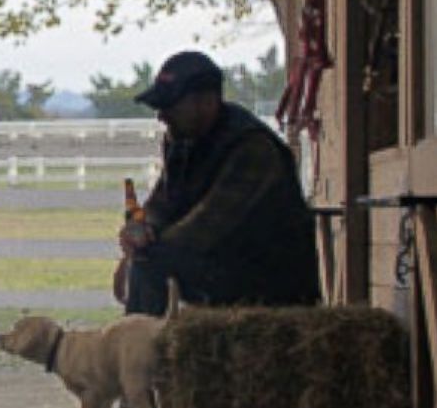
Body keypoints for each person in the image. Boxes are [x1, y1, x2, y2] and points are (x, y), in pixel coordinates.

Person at [116, 50, 321, 315]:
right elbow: (163, 204)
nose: (162, 117)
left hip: (269, 284)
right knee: (150, 259)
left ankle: (138, 350)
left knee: (153, 262)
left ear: (207, 102)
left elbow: (206, 227)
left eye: (170, 106)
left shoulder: (252, 148)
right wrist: (140, 230)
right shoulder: (181, 139)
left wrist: (146, 251)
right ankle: (138, 346)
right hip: (223, 268)